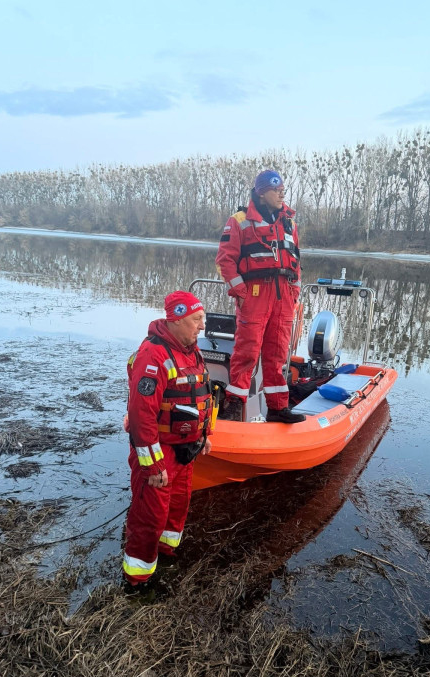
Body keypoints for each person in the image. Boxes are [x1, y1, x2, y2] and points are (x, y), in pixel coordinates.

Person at [122, 291, 212, 592]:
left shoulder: (191, 350)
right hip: (160, 454)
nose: (202, 326)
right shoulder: (154, 355)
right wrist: (153, 465)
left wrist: (204, 434)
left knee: (178, 506)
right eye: (196, 319)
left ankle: (166, 552)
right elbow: (142, 417)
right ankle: (137, 579)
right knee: (150, 515)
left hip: (186, 450)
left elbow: (203, 394)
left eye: (202, 318)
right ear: (176, 319)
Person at [215, 169, 306, 423]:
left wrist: (294, 292)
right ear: (261, 192)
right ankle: (233, 406)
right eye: (276, 190)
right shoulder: (240, 221)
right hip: (255, 294)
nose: (282, 193)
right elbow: (225, 261)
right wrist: (241, 293)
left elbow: (296, 263)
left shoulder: (290, 223)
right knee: (247, 352)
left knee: (277, 353)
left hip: (284, 297)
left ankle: (277, 407)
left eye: (282, 190)